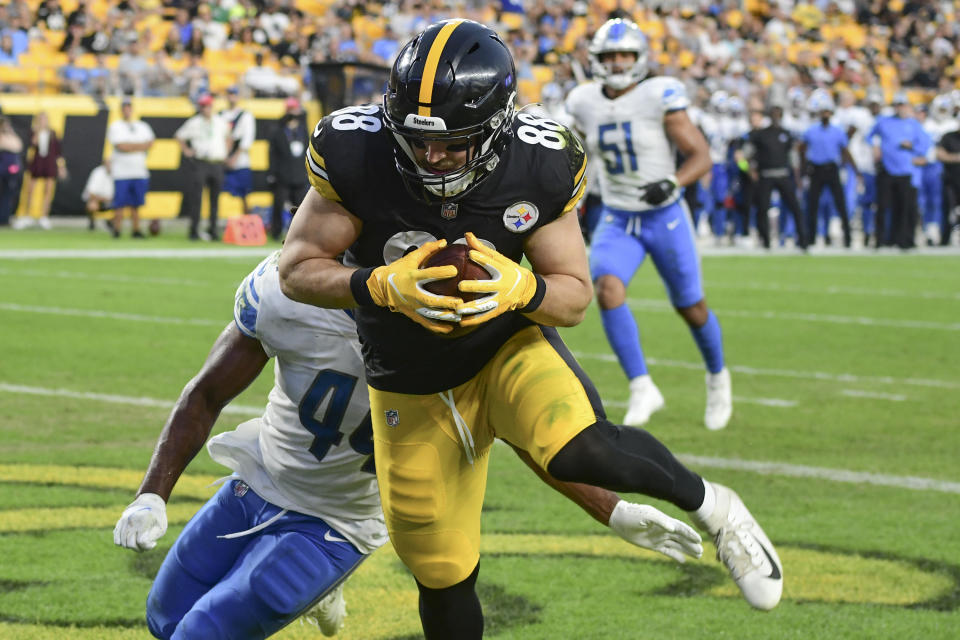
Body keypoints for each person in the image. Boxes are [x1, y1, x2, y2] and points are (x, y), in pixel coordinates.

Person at [278, 19, 783, 639]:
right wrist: (376, 286)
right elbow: (297, 270)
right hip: (404, 377)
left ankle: (718, 508)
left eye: (453, 143)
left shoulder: (539, 160)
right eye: (416, 139)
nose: (431, 156)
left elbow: (572, 297)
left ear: (495, 128)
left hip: (502, 347)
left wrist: (523, 289)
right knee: (440, 570)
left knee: (582, 448)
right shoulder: (355, 150)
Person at [114, 249, 703, 640]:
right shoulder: (285, 290)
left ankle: (325, 575)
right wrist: (151, 495)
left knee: (202, 634)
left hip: (338, 522)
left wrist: (613, 507)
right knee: (164, 618)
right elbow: (207, 393)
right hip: (259, 479)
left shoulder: (458, 322)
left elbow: (529, 435)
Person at [564, 19, 730, 430]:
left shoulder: (659, 95)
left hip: (664, 216)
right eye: (609, 56)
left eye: (624, 55)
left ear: (639, 58)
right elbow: (578, 154)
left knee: (690, 306)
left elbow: (701, 155)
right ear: (597, 60)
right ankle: (642, 386)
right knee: (607, 288)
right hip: (619, 215)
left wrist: (674, 181)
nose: (618, 63)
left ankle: (717, 377)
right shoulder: (583, 100)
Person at [868, 92, 930, 249]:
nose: (900, 108)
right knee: (882, 206)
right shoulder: (884, 121)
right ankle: (880, 240)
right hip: (886, 169)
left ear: (907, 106)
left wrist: (911, 146)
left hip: (905, 170)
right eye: (897, 105)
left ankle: (903, 240)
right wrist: (876, 147)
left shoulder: (913, 124)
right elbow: (870, 136)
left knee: (904, 207)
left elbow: (924, 145)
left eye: (902, 105)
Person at [744, 104, 807, 250]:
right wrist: (750, 171)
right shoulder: (760, 135)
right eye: (773, 114)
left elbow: (793, 158)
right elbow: (745, 155)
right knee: (763, 208)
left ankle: (803, 240)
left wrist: (797, 177)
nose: (776, 118)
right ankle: (765, 241)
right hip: (766, 174)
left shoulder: (786, 134)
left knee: (795, 207)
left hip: (783, 174)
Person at [798, 91, 856, 248]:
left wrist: (852, 169)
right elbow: (802, 150)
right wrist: (803, 172)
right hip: (815, 169)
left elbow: (845, 151)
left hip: (832, 169)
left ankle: (848, 238)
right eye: (823, 111)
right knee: (813, 205)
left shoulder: (837, 130)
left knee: (840, 204)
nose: (825, 114)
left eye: (827, 111)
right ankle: (811, 238)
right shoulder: (811, 130)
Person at [175, 93, 230, 241]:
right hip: (201, 163)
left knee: (215, 199)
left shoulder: (220, 121)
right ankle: (194, 229)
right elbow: (179, 136)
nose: (206, 109)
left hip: (216, 162)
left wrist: (226, 153)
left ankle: (213, 229)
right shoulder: (194, 122)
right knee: (196, 198)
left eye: (208, 106)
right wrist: (187, 151)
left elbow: (228, 136)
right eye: (204, 106)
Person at [107, 97, 154, 238]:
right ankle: (117, 229)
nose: (127, 110)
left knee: (136, 204)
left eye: (129, 107)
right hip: (121, 172)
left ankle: (136, 229)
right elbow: (120, 146)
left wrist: (130, 146)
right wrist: (139, 146)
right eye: (124, 108)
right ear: (121, 110)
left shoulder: (142, 126)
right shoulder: (116, 126)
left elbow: (150, 143)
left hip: (139, 171)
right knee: (119, 204)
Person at [12, 111, 65, 230]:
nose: (43, 122)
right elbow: (32, 144)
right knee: (30, 190)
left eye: (44, 119)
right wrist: (38, 131)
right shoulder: (33, 132)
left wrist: (61, 167)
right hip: (37, 163)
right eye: (40, 119)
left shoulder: (52, 133)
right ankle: (27, 215)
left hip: (49, 163)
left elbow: (58, 152)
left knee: (48, 191)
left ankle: (44, 216)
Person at [267, 97, 309, 240]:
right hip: (282, 175)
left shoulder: (303, 130)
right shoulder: (278, 131)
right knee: (278, 206)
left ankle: (298, 234)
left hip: (299, 174)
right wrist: (272, 173)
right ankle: (276, 232)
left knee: (300, 208)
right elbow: (272, 154)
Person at [221, 86, 257, 215]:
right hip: (223, 160)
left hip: (240, 161)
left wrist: (234, 157)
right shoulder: (221, 115)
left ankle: (247, 223)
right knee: (219, 193)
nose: (231, 97)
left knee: (244, 195)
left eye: (234, 94)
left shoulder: (245, 115)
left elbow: (247, 139)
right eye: (229, 94)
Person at [936, 106, 960, 245]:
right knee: (948, 210)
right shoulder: (948, 137)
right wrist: (957, 158)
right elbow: (940, 154)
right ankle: (945, 239)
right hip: (951, 181)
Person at [0, 115, 24, 227]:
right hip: (3, 169)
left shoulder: (10, 135)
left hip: (10, 171)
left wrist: (9, 131)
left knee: (8, 195)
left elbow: (18, 146)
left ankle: (4, 218)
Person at [81, 157, 113, 231]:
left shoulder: (118, 173)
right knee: (92, 204)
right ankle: (92, 222)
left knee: (122, 203)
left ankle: (111, 222)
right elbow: (91, 193)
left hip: (112, 200)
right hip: (99, 200)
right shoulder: (98, 172)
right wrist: (105, 199)